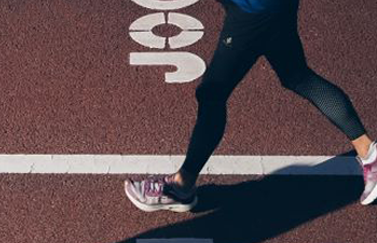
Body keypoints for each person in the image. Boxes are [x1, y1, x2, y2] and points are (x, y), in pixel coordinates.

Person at [125, 0, 377, 211]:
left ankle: (181, 186)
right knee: (298, 76)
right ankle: (369, 153)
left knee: (213, 95)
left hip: (253, 13)